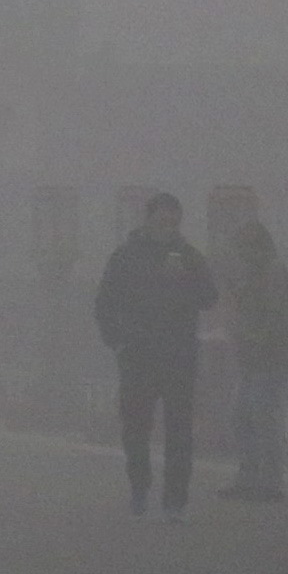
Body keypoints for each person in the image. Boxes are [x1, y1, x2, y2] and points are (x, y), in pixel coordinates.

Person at [93, 191, 217, 519]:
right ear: (148, 220)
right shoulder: (125, 256)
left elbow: (209, 297)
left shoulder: (189, 257)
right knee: (136, 427)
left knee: (179, 429)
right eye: (162, 221)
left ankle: (175, 499)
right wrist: (116, 340)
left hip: (178, 356)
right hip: (138, 355)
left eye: (174, 222)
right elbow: (105, 302)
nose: (168, 228)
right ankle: (139, 487)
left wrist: (187, 277)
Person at [220, 217, 288, 500]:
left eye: (249, 245)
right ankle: (247, 475)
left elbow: (277, 313)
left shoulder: (272, 271)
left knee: (264, 417)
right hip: (246, 354)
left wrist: (260, 337)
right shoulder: (245, 273)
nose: (244, 251)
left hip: (267, 355)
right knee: (240, 416)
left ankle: (270, 481)